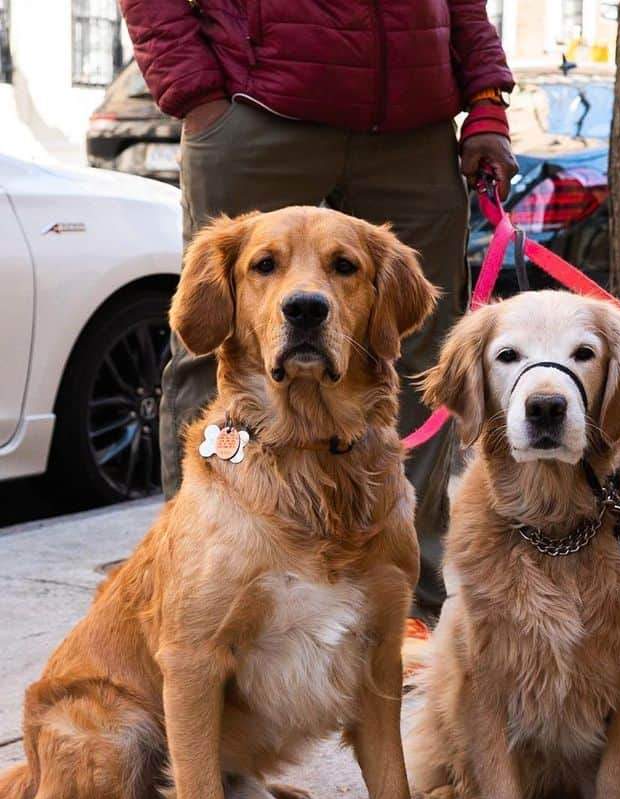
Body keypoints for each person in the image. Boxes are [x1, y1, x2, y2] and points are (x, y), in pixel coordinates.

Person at [121, 0, 517, 624]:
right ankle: (204, 578)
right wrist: (196, 92)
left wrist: (487, 101)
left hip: (414, 119)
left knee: (420, 355)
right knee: (213, 341)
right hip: (258, 109)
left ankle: (404, 592)